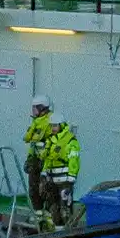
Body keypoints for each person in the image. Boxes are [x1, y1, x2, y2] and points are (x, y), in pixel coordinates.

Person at [23, 96, 80, 226]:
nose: (33, 111)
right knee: (35, 190)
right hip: (39, 162)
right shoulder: (36, 122)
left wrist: (71, 175)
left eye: (35, 108)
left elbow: (68, 155)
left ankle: (56, 225)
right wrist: (30, 158)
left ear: (42, 107)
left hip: (49, 165)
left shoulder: (50, 122)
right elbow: (32, 142)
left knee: (52, 197)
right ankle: (41, 218)